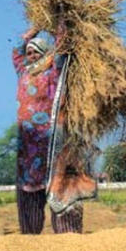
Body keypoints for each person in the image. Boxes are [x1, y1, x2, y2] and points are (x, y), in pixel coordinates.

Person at [12, 21, 94, 235]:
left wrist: (54, 23)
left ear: (45, 54)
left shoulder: (53, 73)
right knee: (29, 191)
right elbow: (16, 50)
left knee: (60, 185)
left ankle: (67, 236)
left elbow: (62, 48)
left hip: (52, 142)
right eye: (28, 52)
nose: (30, 55)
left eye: (35, 52)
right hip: (28, 147)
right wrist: (32, 30)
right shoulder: (23, 73)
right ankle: (30, 235)